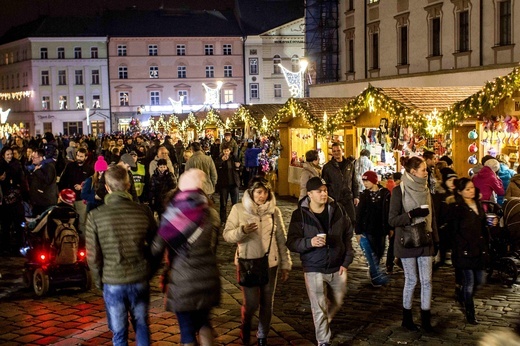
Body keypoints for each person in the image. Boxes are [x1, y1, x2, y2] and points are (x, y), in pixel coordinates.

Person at [86, 165, 157, 346]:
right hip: (139, 276)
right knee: (141, 325)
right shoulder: (143, 211)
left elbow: (93, 256)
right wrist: (150, 268)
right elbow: (157, 244)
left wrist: (98, 281)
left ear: (107, 188)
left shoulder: (95, 216)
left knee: (119, 333)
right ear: (127, 185)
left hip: (113, 279)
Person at [151, 169, 221, 346]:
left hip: (182, 279)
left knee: (187, 332)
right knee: (205, 324)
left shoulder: (174, 215)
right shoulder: (211, 214)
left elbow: (158, 247)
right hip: (208, 277)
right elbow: (214, 245)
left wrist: (148, 269)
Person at [223, 176, 292, 346]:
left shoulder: (274, 212)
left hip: (270, 263)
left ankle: (262, 335)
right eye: (259, 192)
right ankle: (246, 324)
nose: (262, 196)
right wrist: (242, 231)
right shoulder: (238, 209)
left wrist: (285, 263)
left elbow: (281, 239)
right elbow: (227, 235)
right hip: (248, 263)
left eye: (265, 192)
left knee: (267, 303)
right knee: (252, 303)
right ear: (251, 192)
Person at [286, 177, 354, 346]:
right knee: (318, 306)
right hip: (313, 266)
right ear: (309, 194)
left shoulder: (337, 209)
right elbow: (292, 242)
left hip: (337, 265)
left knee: (337, 300)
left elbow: (347, 235)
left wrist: (346, 261)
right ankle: (323, 340)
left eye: (325, 190)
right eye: (319, 191)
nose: (324, 193)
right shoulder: (300, 214)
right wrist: (310, 243)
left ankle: (324, 321)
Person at [388, 156, 438, 332]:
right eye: (423, 169)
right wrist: (411, 215)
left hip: (425, 239)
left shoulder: (426, 189)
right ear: (412, 172)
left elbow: (433, 217)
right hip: (407, 240)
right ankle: (406, 318)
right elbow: (392, 220)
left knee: (427, 281)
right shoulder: (398, 191)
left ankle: (426, 319)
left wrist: (436, 240)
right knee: (411, 280)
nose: (427, 172)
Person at [446, 178, 490, 325]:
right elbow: (453, 231)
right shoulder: (456, 208)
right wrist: (460, 245)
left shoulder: (477, 203)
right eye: (467, 189)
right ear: (459, 191)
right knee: (470, 282)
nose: (471, 191)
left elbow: (482, 224)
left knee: (480, 279)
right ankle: (470, 313)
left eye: (472, 188)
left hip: (478, 249)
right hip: (464, 251)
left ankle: (462, 294)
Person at [355, 170, 391, 286]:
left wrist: (390, 228)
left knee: (380, 251)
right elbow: (359, 214)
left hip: (381, 229)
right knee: (371, 253)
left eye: (367, 181)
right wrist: (358, 231)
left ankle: (374, 272)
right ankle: (375, 275)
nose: (365, 183)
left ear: (374, 181)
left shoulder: (385, 194)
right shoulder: (364, 195)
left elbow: (389, 212)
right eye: (364, 181)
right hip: (368, 228)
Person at [322, 142, 359, 228]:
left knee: (352, 220)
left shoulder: (349, 164)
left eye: (338, 150)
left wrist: (356, 196)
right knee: (336, 222)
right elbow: (324, 184)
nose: (336, 153)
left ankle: (347, 238)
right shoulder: (327, 167)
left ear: (342, 151)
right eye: (334, 151)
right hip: (335, 198)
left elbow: (354, 181)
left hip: (348, 197)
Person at [0, 146, 27, 254]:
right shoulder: (1, 165)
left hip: (15, 198)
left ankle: (18, 247)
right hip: (4, 199)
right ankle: (5, 247)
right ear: (3, 155)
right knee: (5, 224)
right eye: (8, 154)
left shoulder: (17, 164)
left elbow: (22, 179)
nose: (10, 156)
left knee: (17, 224)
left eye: (11, 154)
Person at [432, 167, 458, 269]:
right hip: (443, 229)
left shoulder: (458, 194)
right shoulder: (439, 195)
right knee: (440, 255)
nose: (452, 183)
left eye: (454, 180)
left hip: (454, 229)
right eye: (450, 180)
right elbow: (437, 213)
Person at [216, 143, 241, 225]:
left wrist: (238, 166)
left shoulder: (234, 158)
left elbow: (239, 168)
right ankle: (223, 220)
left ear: (230, 151)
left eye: (227, 151)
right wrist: (221, 161)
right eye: (224, 151)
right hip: (224, 184)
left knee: (235, 203)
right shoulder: (219, 158)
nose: (226, 152)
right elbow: (216, 167)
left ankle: (235, 219)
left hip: (234, 183)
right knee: (223, 203)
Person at [28, 148, 58, 216]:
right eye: (32, 157)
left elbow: (48, 180)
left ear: (41, 158)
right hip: (38, 201)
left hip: (45, 201)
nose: (32, 159)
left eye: (34, 157)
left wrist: (37, 171)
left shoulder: (49, 166)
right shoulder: (36, 166)